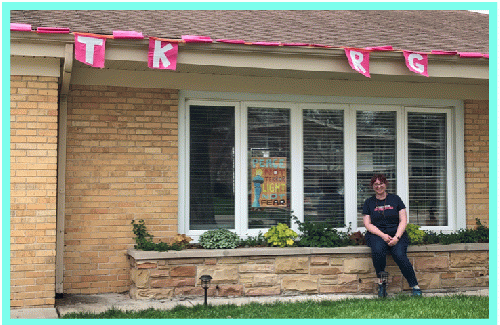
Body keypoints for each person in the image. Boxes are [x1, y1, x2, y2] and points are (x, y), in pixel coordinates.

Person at [362, 174, 422, 297]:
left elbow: (403, 220)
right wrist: (383, 235)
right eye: (376, 184)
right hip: (377, 234)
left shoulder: (396, 199)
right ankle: (382, 284)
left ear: (386, 184)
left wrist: (397, 237)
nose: (379, 186)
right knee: (378, 251)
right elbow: (367, 224)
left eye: (381, 183)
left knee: (399, 255)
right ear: (372, 186)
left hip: (397, 233)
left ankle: (414, 286)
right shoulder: (369, 202)